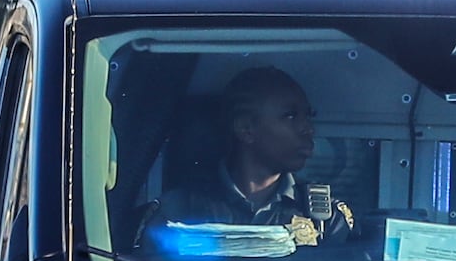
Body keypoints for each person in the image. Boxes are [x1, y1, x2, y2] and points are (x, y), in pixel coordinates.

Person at [144, 65, 352, 248]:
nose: (307, 129)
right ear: (246, 129)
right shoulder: (180, 210)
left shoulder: (324, 218)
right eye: (290, 116)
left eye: (308, 116)